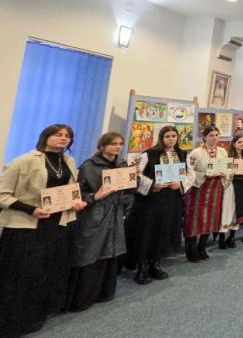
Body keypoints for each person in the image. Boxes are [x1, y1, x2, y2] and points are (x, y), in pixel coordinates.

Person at [0, 125, 86, 338]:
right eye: (58, 135)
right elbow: (2, 195)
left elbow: (71, 190)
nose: (63, 138)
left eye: (67, 136)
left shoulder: (69, 161)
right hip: (26, 226)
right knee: (19, 275)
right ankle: (9, 323)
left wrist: (76, 202)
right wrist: (31, 210)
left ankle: (33, 317)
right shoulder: (24, 161)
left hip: (57, 225)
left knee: (44, 272)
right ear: (46, 137)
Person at [67, 132, 135, 312]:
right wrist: (95, 196)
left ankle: (105, 292)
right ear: (102, 146)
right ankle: (82, 298)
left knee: (110, 251)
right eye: (113, 144)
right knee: (90, 252)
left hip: (115, 214)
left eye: (120, 144)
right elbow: (77, 194)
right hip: (94, 214)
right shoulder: (89, 166)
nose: (117, 147)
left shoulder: (122, 164)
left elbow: (128, 191)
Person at [126, 125, 187, 284]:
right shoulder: (149, 154)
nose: (171, 139)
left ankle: (155, 264)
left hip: (171, 199)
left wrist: (180, 184)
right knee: (147, 232)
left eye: (173, 136)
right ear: (161, 138)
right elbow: (136, 174)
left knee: (164, 231)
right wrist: (153, 184)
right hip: (151, 200)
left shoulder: (181, 154)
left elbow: (189, 175)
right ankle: (142, 268)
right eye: (167, 136)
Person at [184, 125, 229, 261]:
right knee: (195, 219)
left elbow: (228, 167)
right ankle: (191, 249)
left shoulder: (222, 151)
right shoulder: (196, 152)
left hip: (216, 189)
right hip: (199, 189)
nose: (214, 138)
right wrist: (204, 174)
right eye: (211, 135)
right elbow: (188, 171)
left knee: (211, 219)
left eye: (216, 135)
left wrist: (225, 173)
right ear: (204, 137)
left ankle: (202, 247)